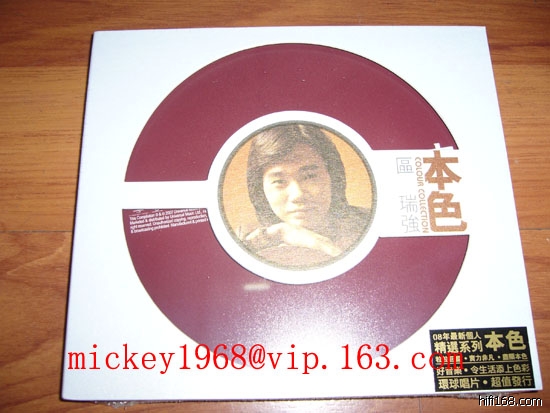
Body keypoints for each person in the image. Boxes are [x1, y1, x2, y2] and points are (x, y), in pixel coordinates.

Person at [238, 123, 371, 268]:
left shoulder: (368, 223)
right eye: (279, 181)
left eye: (309, 176)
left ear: (333, 177)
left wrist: (322, 246)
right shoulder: (247, 238)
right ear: (260, 189)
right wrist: (282, 232)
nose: (298, 195)